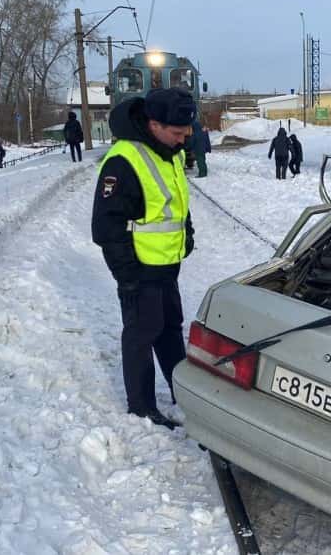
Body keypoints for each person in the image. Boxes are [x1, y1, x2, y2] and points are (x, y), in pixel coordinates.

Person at [91, 88, 197, 431]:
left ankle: (184, 393)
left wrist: (187, 231)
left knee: (169, 329)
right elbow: (106, 227)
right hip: (139, 270)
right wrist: (128, 276)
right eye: (178, 133)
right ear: (154, 124)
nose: (184, 140)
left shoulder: (169, 152)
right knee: (141, 334)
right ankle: (141, 408)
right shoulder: (124, 160)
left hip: (167, 266)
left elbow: (174, 202)